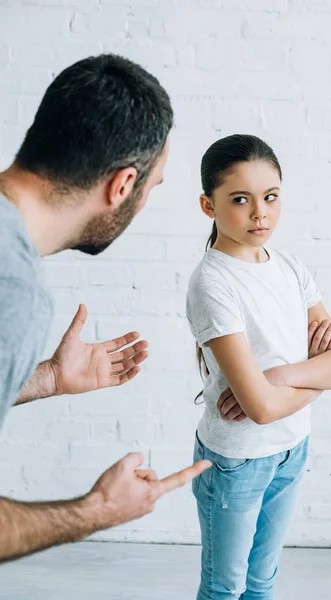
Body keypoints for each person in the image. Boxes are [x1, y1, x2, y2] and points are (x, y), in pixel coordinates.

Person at [0, 54, 210, 563]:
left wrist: (45, 378)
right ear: (121, 186)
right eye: (149, 189)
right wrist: (97, 511)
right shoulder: (15, 292)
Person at [186, 134, 331, 599]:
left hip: (292, 446)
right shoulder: (213, 283)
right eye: (240, 199)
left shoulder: (290, 267)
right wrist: (313, 375)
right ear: (208, 205)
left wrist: (279, 377)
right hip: (237, 459)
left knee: (262, 581)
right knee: (225, 586)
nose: (261, 212)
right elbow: (258, 409)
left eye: (271, 197)